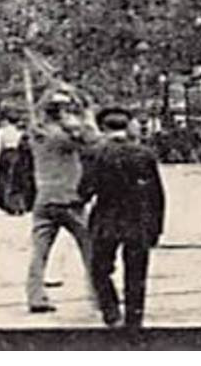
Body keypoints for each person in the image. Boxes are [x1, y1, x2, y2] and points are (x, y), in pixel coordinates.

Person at [80, 107, 166, 329]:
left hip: (105, 221)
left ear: (103, 128)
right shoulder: (144, 154)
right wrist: (156, 228)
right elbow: (156, 195)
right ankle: (134, 319)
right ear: (127, 127)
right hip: (138, 220)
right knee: (136, 272)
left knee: (100, 269)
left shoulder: (95, 154)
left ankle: (111, 313)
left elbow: (85, 190)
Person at [25, 89, 99, 314]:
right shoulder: (65, 137)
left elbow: (38, 111)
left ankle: (35, 296)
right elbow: (92, 139)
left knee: (39, 253)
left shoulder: (37, 133)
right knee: (90, 249)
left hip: (44, 198)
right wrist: (86, 110)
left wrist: (48, 95)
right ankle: (98, 294)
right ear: (62, 113)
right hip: (69, 199)